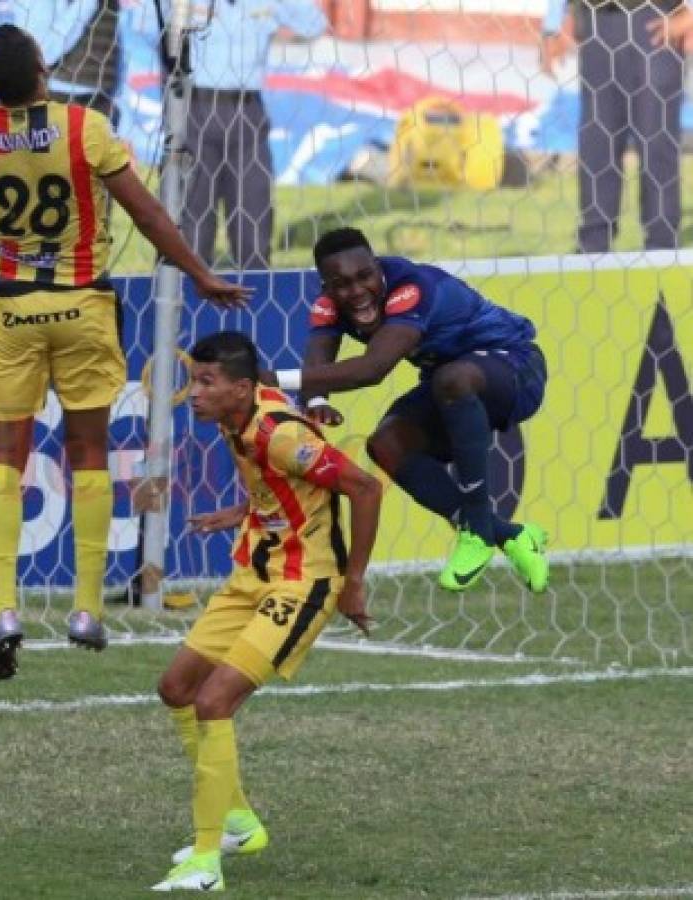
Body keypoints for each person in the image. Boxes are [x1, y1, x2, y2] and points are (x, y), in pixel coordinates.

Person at [0, 23, 251, 681]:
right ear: (43, 69)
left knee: (1, 457)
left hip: (12, 309)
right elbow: (146, 214)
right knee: (88, 454)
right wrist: (197, 273)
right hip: (83, 308)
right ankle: (83, 610)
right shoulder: (85, 126)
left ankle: (3, 608)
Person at [151, 331, 381, 892]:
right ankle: (239, 823)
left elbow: (364, 488)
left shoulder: (280, 434)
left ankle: (206, 863)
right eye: (194, 380)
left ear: (242, 388)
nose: (195, 394)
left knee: (214, 701)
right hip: (252, 573)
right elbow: (287, 488)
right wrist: (241, 511)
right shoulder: (233, 420)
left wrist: (353, 583)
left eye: (207, 383)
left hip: (301, 584)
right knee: (177, 689)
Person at [273, 227, 550, 594]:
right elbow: (319, 357)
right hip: (449, 385)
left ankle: (478, 533)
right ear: (326, 288)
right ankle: (510, 534)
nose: (356, 292)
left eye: (364, 277)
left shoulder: (412, 287)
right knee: (387, 445)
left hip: (515, 367)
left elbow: (374, 368)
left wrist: (268, 378)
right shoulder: (328, 306)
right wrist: (317, 401)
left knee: (452, 378)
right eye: (341, 284)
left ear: (378, 269)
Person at [167, 0, 327, 270]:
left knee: (253, 211)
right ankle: (189, 297)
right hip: (197, 107)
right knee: (194, 213)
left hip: (247, 110)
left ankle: (255, 295)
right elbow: (144, 26)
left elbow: (313, 25)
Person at [540, 0, 687, 252]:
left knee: (656, 142)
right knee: (597, 140)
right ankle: (592, 250)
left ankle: (662, 252)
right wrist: (555, 23)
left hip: (654, 21)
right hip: (597, 20)